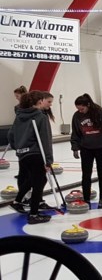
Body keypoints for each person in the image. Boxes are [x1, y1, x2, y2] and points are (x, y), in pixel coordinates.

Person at [8, 91, 55, 223]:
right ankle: (34, 214)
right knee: (38, 184)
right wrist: (48, 160)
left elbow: (10, 135)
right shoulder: (40, 117)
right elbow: (46, 139)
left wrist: (18, 147)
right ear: (39, 102)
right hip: (36, 153)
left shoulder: (19, 117)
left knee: (31, 180)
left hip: (23, 154)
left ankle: (17, 201)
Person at [71, 94, 102, 209]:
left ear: (88, 105)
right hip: (86, 148)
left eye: (82, 109)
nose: (80, 111)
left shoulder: (100, 113)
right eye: (78, 109)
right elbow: (75, 133)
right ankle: (86, 198)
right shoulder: (77, 116)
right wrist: (75, 147)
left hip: (101, 147)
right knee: (86, 175)